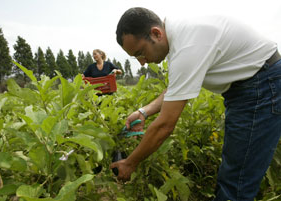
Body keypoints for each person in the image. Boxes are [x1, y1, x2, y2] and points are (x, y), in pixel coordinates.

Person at [110, 7, 281, 201]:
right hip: (252, 85)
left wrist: (130, 163)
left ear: (156, 33)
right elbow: (176, 89)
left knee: (237, 183)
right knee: (236, 171)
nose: (141, 63)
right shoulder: (179, 34)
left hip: (262, 87)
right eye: (135, 57)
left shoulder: (187, 45)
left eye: (141, 52)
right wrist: (144, 111)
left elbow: (165, 125)